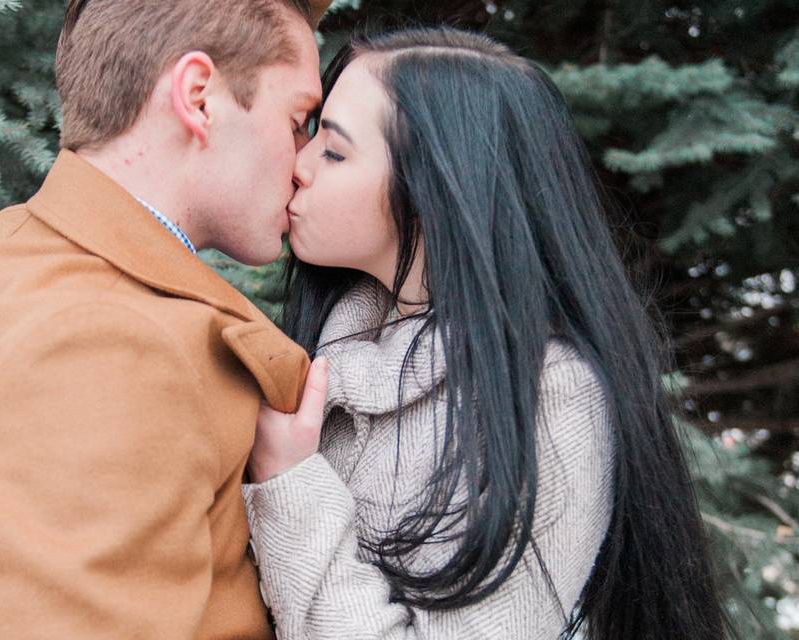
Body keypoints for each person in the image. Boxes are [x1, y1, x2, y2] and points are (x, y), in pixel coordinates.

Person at [243, 27, 733, 639]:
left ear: (437, 192)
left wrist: (290, 484)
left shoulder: (550, 395)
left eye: (335, 152)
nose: (300, 164)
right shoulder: (330, 346)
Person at [0, 0, 331, 637]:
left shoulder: (38, 262)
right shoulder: (93, 337)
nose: (306, 162)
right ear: (199, 97)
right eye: (300, 120)